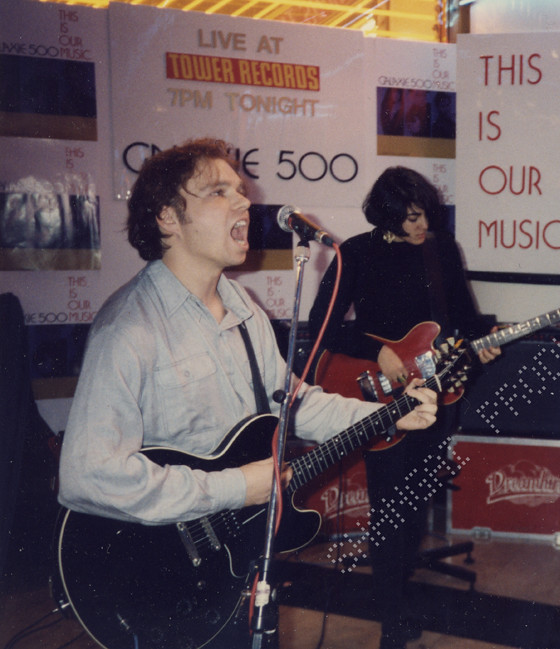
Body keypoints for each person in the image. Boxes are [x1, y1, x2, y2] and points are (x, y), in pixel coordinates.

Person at [57, 139, 438, 646]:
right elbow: (86, 475)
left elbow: (294, 403)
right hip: (156, 571)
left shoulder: (243, 306)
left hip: (238, 563)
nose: (244, 203)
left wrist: (387, 414)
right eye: (218, 192)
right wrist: (237, 487)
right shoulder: (129, 329)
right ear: (168, 218)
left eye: (241, 190)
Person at [309, 166, 499, 649]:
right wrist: (377, 351)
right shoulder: (356, 253)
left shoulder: (441, 249)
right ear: (389, 215)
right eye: (412, 218)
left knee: (413, 505)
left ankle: (399, 597)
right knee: (389, 505)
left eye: (426, 216)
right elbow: (321, 324)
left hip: (436, 395)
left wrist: (483, 344)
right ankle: (391, 616)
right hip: (379, 397)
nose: (422, 227)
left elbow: (463, 319)